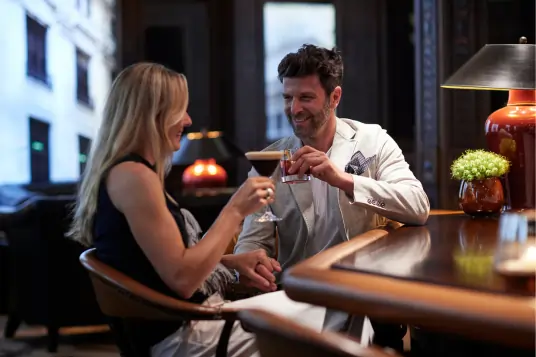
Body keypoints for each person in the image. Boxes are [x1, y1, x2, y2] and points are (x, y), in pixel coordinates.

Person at [67, 62, 327, 357]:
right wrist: (235, 210)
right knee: (327, 326)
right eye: (180, 110)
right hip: (186, 337)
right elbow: (182, 280)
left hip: (195, 323)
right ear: (153, 114)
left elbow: (161, 269)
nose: (188, 120)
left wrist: (231, 264)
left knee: (325, 314)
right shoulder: (133, 177)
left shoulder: (132, 173)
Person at [233, 44, 431, 352]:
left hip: (363, 293)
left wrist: (344, 180)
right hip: (297, 296)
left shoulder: (373, 141)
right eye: (288, 97)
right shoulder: (271, 159)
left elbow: (418, 206)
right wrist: (252, 264)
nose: (294, 108)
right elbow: (252, 239)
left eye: (306, 98)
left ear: (334, 97)